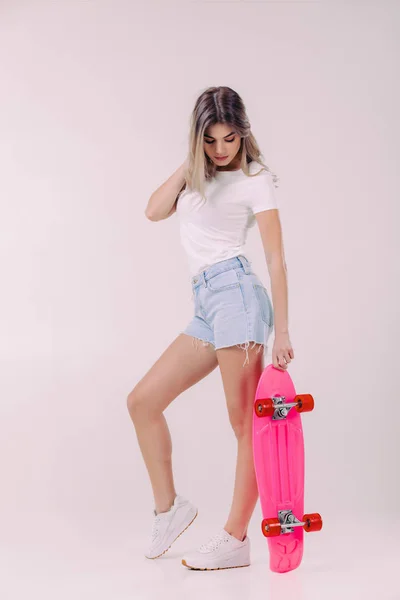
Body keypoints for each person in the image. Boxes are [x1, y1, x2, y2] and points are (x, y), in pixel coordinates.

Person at [127, 86, 294, 571]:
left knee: (245, 424)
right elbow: (154, 210)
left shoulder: (255, 178)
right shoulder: (195, 178)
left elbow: (277, 259)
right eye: (210, 140)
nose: (222, 150)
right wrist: (189, 164)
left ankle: (235, 538)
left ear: (244, 135)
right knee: (142, 401)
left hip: (237, 297)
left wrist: (282, 332)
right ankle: (170, 508)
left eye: (230, 139)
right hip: (206, 304)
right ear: (197, 138)